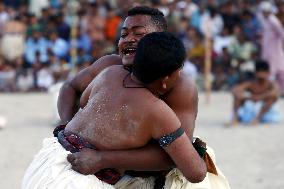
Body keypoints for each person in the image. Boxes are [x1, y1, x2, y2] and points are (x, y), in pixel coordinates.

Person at [58, 6, 230, 189]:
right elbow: (69, 87)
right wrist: (69, 129)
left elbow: (176, 157)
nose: (129, 39)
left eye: (138, 34)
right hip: (82, 163)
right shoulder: (110, 66)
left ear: (159, 39)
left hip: (142, 174)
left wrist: (103, 159)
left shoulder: (179, 87)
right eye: (124, 34)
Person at [22, 32, 207, 189]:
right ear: (166, 79)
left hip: (47, 161)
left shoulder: (109, 74)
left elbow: (85, 102)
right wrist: (195, 150)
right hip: (78, 181)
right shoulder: (158, 112)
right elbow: (196, 173)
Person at [232, 60, 281, 125]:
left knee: (272, 97)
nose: (261, 74)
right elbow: (235, 90)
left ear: (268, 73)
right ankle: (235, 118)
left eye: (263, 71)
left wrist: (260, 97)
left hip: (266, 110)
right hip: (252, 108)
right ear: (255, 73)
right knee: (237, 96)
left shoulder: (271, 84)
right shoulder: (251, 83)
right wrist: (248, 97)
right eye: (259, 71)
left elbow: (276, 93)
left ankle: (257, 119)